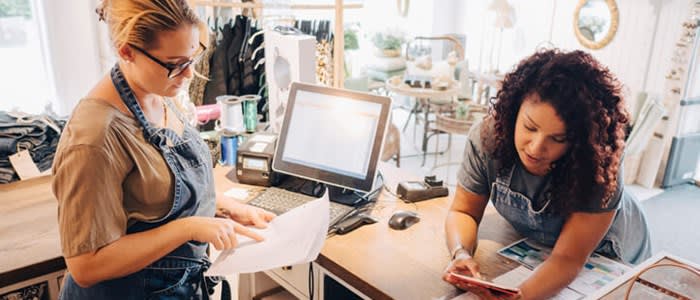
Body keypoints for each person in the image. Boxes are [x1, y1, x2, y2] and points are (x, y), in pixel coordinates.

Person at [52, 1, 275, 299]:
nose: (189, 75)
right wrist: (189, 228)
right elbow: (86, 265)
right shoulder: (95, 138)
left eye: (193, 57)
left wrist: (222, 207)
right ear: (126, 51)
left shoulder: (156, 90)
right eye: (176, 64)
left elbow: (153, 191)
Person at [443, 49, 652, 299]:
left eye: (558, 138)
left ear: (580, 141)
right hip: (544, 248)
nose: (536, 148)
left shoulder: (598, 164)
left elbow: (567, 258)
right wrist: (461, 253)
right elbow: (463, 211)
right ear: (513, 110)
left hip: (613, 253)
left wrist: (518, 297)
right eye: (529, 127)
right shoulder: (487, 138)